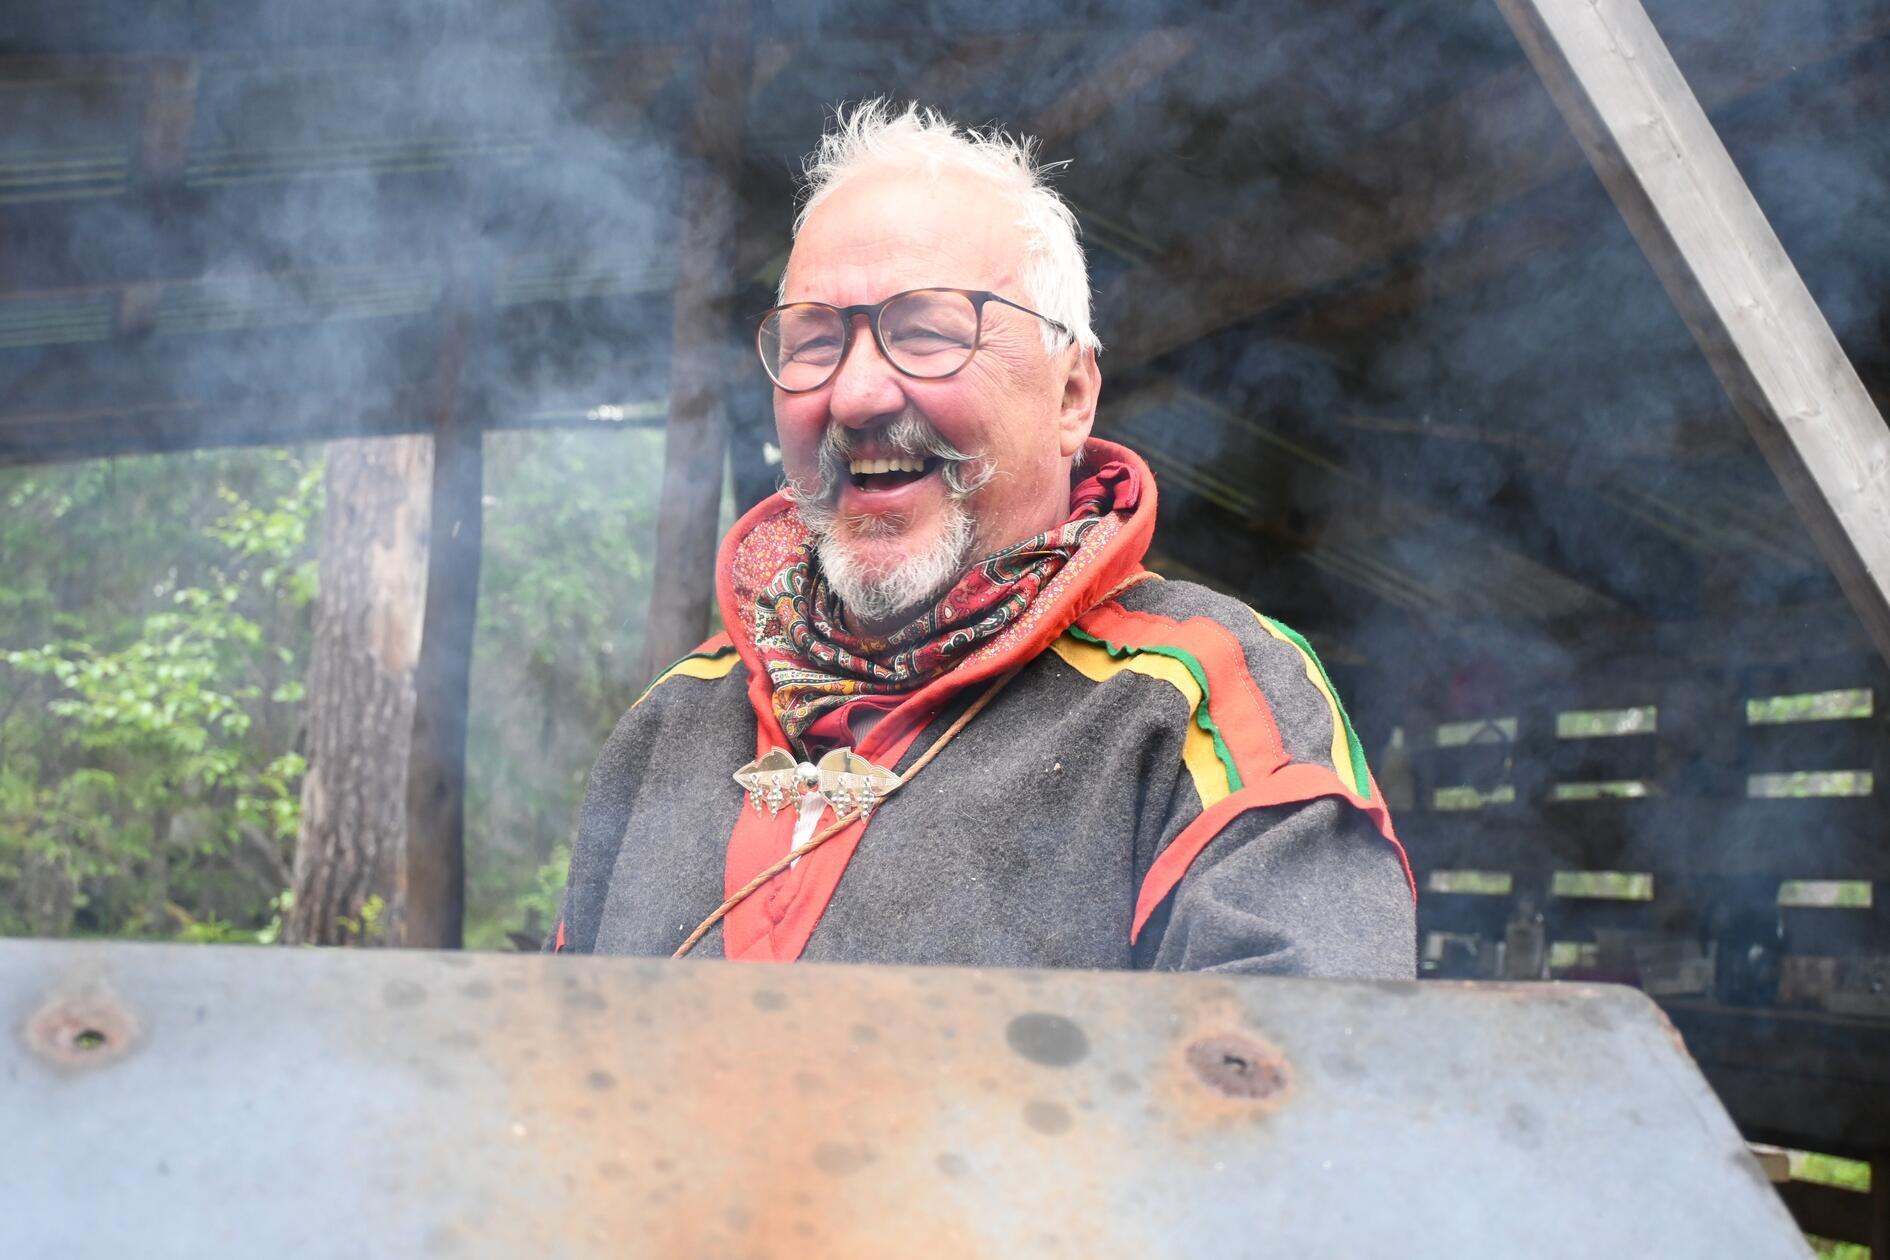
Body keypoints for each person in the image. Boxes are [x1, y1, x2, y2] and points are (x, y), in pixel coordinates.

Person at [549, 100, 1415, 974]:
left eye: (926, 333)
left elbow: (1314, 1055)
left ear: (1071, 396)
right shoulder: (673, 723)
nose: (855, 396)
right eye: (813, 342)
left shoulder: (1205, 702)